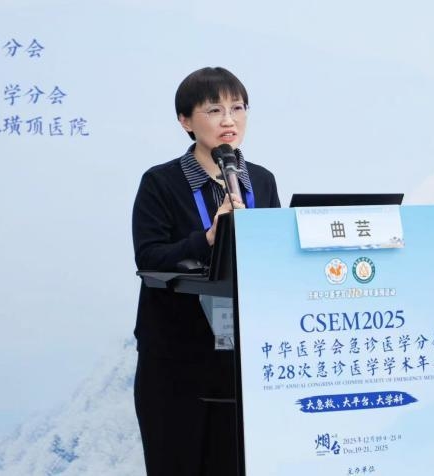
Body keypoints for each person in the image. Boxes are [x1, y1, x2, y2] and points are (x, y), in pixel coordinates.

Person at [132, 67, 280, 476]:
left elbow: (270, 258)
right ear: (185, 120)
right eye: (214, 110)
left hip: (244, 355)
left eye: (238, 108)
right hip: (178, 355)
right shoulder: (160, 182)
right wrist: (209, 237)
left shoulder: (261, 181)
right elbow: (148, 256)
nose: (229, 120)